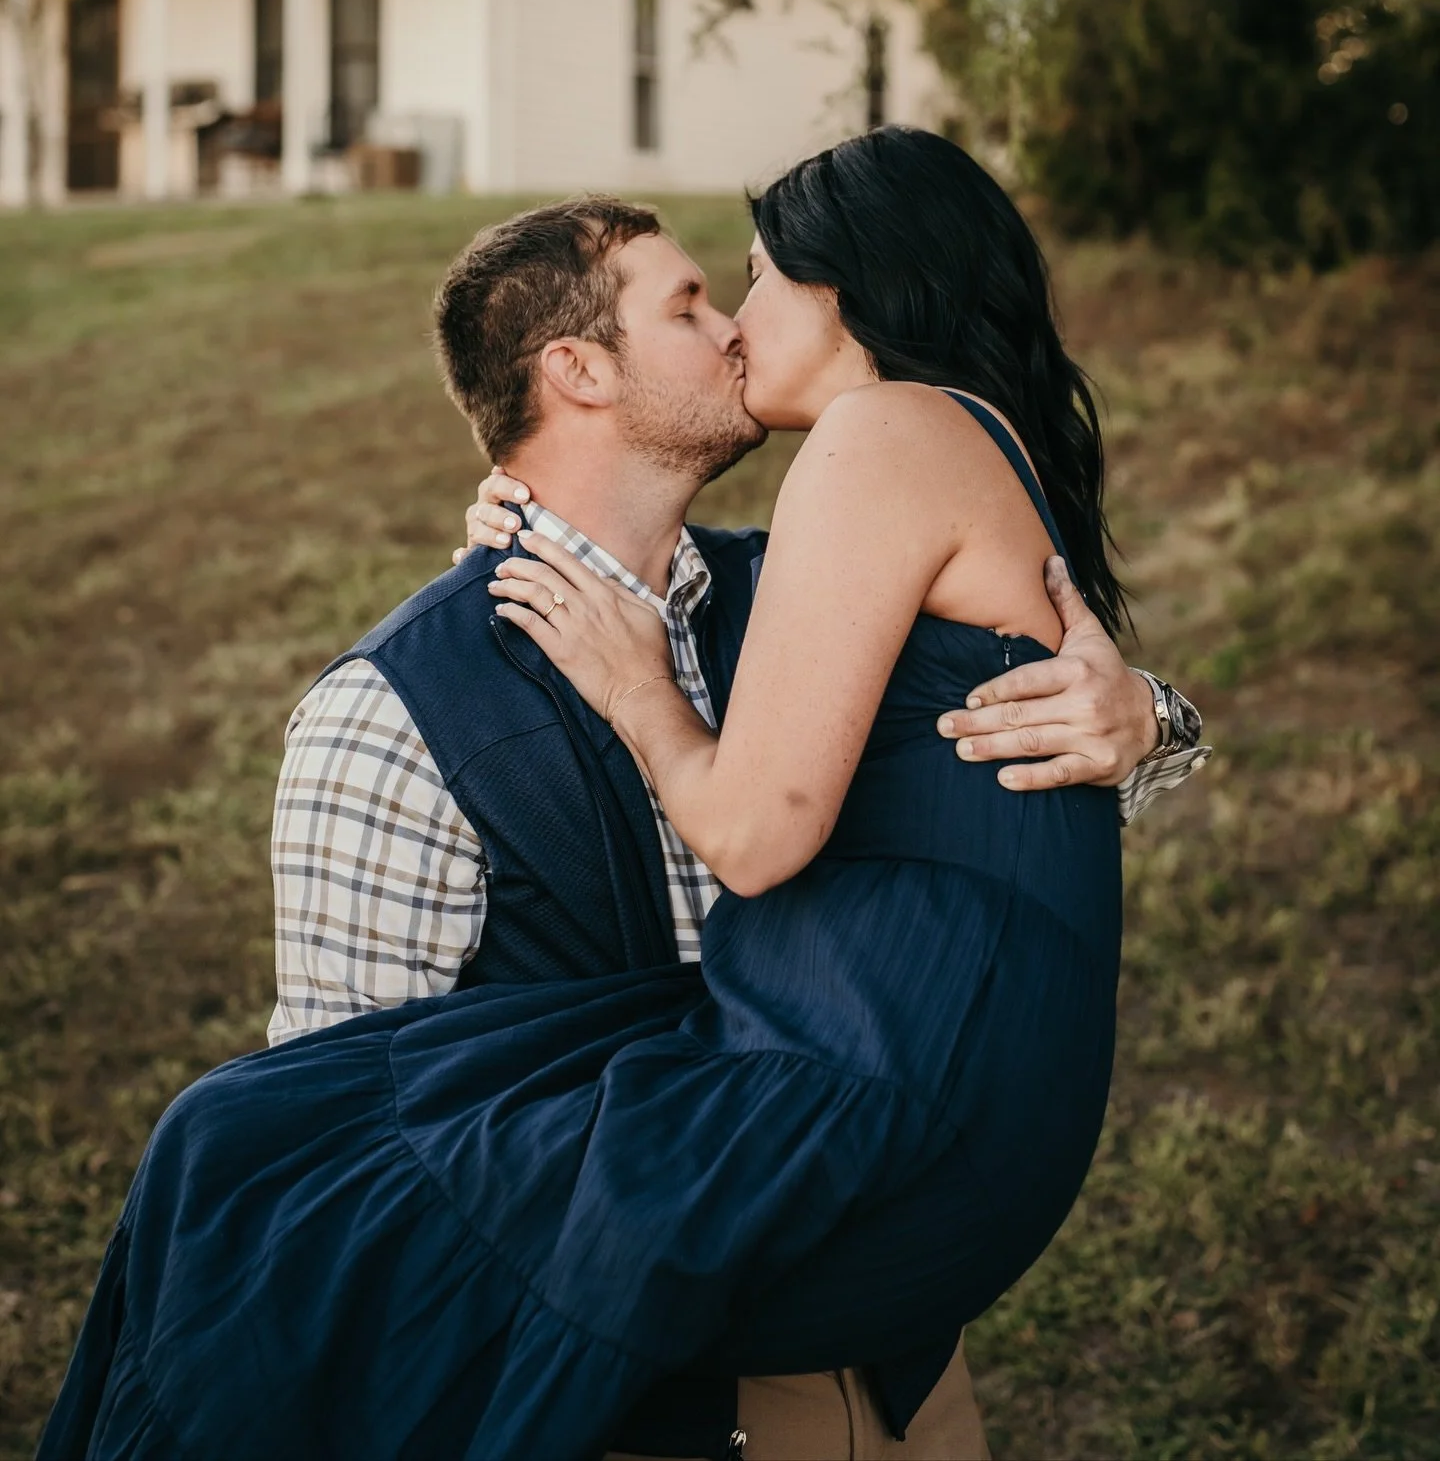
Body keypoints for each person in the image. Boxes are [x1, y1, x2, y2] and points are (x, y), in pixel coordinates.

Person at [40, 129, 1207, 1461]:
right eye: (698, 299)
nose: (731, 328)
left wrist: (1146, 718)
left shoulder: (816, 529)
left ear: (854, 285)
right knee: (249, 1147)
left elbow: (920, 794)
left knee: (235, 1158)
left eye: (749, 282)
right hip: (658, 1338)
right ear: (578, 369)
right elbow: (360, 1096)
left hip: (858, 1243)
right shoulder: (399, 714)